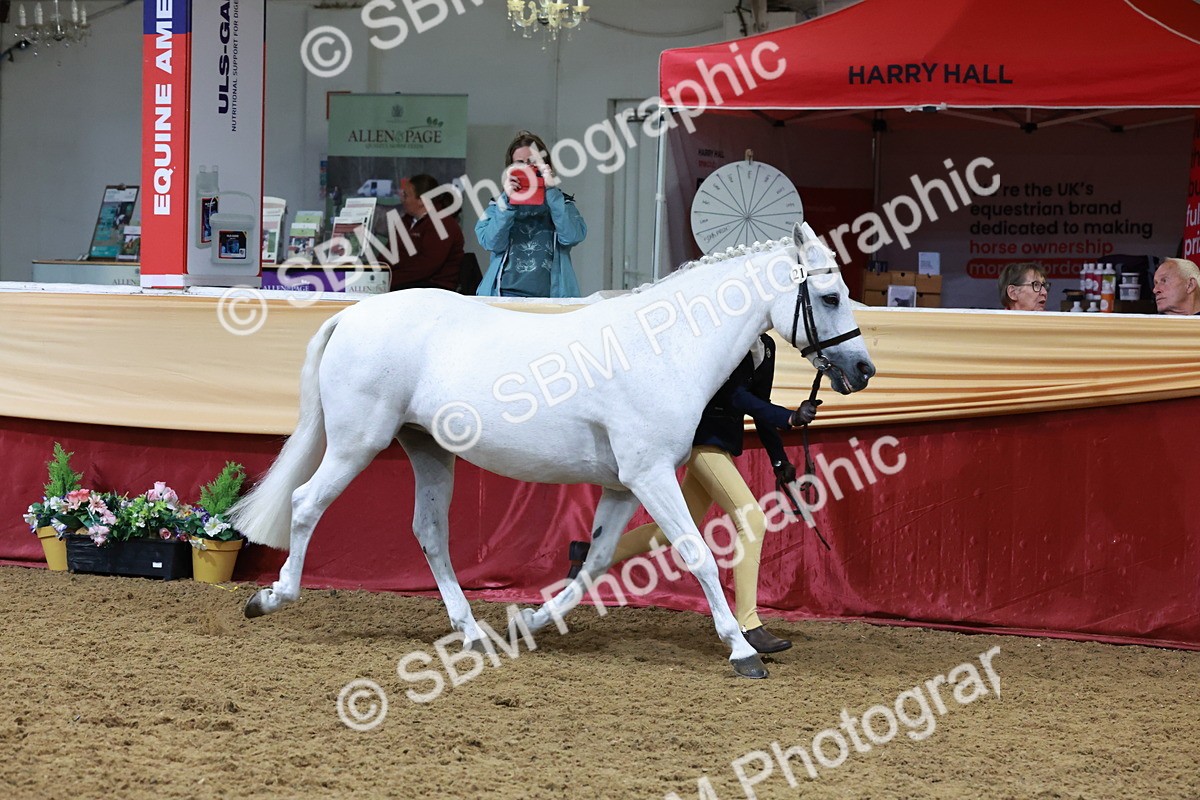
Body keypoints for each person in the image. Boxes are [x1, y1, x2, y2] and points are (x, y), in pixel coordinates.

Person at [566, 334, 821, 654]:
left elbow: (760, 401)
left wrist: (779, 459)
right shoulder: (730, 340)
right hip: (699, 439)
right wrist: (788, 417)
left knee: (668, 532)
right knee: (752, 518)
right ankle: (748, 624)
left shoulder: (766, 348)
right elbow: (735, 397)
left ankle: (589, 554)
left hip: (722, 444)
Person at [475, 130, 586, 297]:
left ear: (546, 165)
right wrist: (508, 201)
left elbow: (572, 237)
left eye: (533, 162)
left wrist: (551, 191)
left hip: (550, 298)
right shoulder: (497, 204)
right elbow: (491, 243)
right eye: (519, 163)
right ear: (510, 169)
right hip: (503, 296)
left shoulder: (562, 202)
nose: (527, 168)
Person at [384, 175, 463, 292]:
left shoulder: (443, 224)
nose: (402, 200)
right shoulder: (406, 221)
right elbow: (387, 255)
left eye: (406, 195)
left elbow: (426, 267)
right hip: (405, 285)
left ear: (421, 200)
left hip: (432, 290)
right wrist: (373, 271)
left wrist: (388, 280)